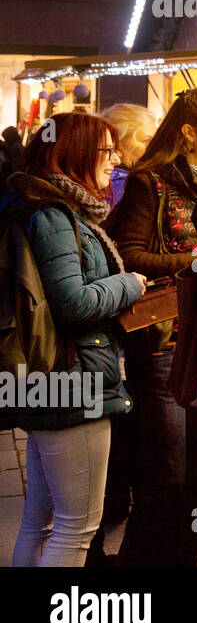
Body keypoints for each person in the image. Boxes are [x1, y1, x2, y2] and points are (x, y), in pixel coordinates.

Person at [2, 113, 145, 566]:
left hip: (49, 379)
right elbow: (74, 302)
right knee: (76, 526)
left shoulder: (29, 202)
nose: (115, 160)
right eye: (107, 151)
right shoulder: (54, 215)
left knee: (40, 520)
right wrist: (131, 285)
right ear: (76, 153)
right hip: (73, 380)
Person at [104, 87, 197, 566]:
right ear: (188, 133)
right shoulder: (151, 183)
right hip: (161, 345)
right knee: (166, 475)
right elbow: (129, 254)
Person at [99, 104, 157, 207]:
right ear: (118, 144)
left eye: (156, 141)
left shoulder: (102, 179)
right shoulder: (124, 186)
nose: (154, 147)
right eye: (147, 140)